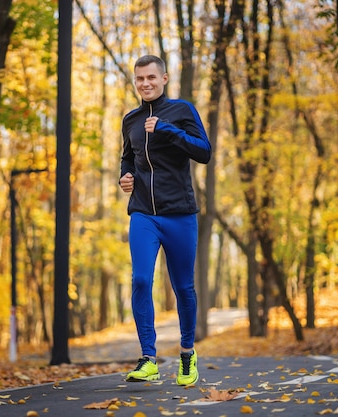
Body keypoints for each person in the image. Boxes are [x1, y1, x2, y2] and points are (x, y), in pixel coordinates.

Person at [119, 54, 211, 386]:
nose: (145, 84)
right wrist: (125, 177)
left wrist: (167, 130)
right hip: (143, 212)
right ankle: (148, 358)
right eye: (139, 79)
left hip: (180, 214)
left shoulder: (182, 111)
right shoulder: (130, 119)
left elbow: (204, 151)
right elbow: (127, 159)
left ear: (164, 79)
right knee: (141, 280)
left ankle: (187, 353)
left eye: (151, 78)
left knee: (183, 287)